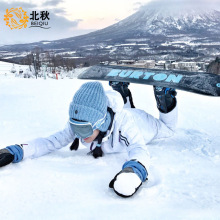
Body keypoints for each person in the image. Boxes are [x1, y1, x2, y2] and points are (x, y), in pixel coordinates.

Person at [0, 81, 177, 198]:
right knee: (123, 112)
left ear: (100, 123)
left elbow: (138, 148)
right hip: (117, 115)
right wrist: (17, 150)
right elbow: (50, 142)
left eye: (83, 129)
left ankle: (165, 97)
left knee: (167, 130)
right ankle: (121, 90)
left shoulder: (126, 123)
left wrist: (134, 170)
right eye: (75, 126)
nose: (79, 134)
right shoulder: (83, 121)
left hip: (142, 123)